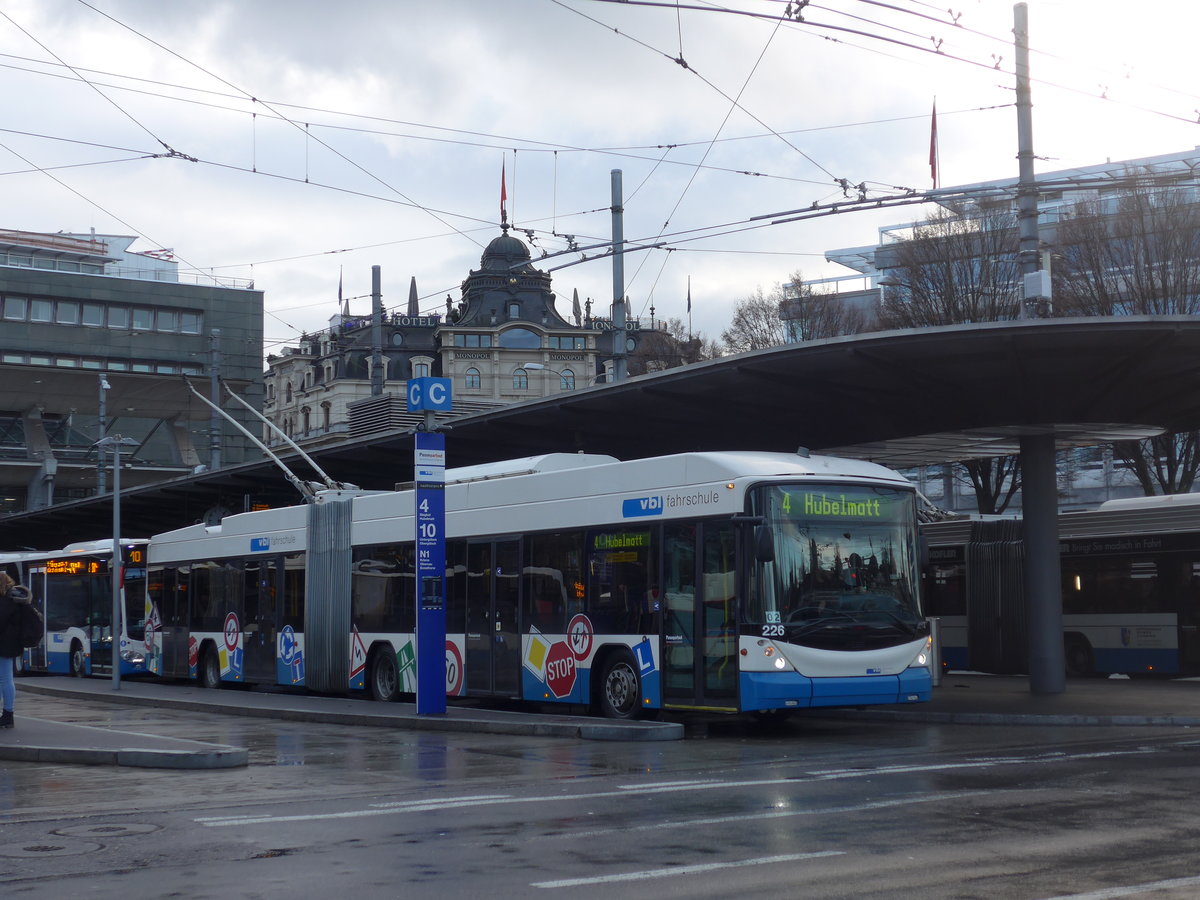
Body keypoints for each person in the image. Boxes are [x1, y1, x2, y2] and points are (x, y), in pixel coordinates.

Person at [0, 571, 32, 728]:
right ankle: (8, 714)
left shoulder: (4, 602)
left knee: (5, 679)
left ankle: (7, 714)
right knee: (5, 678)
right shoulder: (16, 599)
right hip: (11, 644)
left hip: (3, 645)